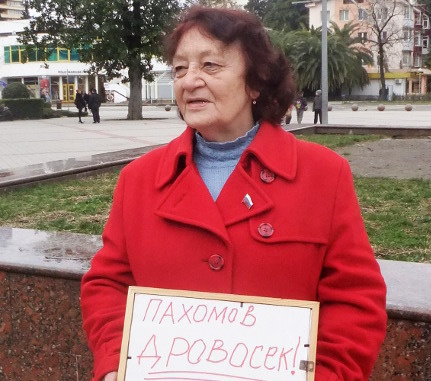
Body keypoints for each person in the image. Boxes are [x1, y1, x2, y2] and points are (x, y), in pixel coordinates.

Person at [80, 6, 387, 381]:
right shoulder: (138, 179)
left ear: (255, 82)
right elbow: (108, 284)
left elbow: (355, 301)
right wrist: (117, 361)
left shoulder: (324, 175)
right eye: (180, 68)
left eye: (210, 65)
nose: (189, 80)